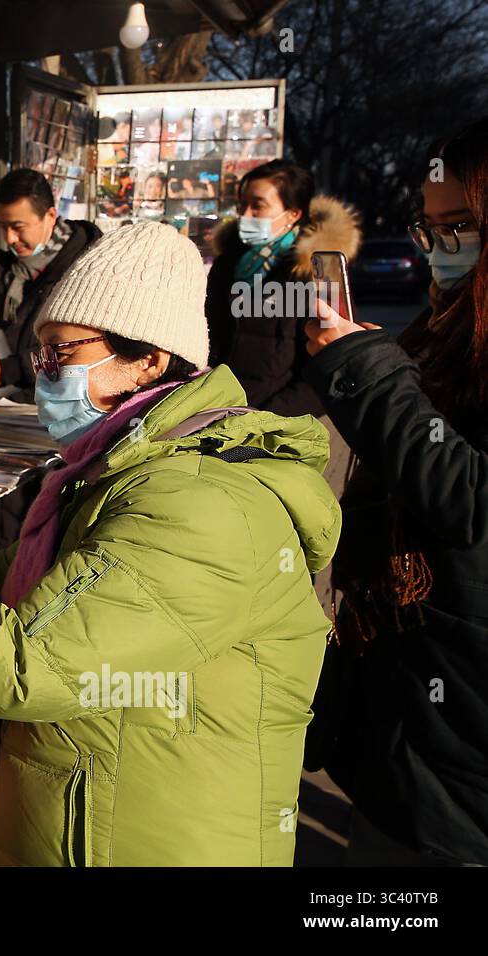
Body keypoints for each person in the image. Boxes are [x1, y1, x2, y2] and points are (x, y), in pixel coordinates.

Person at [0, 221, 341, 865]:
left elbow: (20, 663)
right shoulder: (116, 465)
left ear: (149, 359)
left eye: (64, 353)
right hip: (90, 820)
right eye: (40, 354)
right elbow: (46, 597)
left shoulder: (196, 502)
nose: (45, 374)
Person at [303, 118, 488, 866]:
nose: (441, 247)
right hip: (414, 711)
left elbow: (470, 494)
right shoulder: (453, 324)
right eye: (430, 227)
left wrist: (370, 373)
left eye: (462, 226)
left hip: (463, 749)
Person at [205, 159, 361, 417]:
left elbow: (331, 368)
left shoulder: (318, 276)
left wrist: (267, 418)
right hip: (213, 413)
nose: (245, 215)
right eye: (242, 204)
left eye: (258, 205)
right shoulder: (227, 265)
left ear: (293, 214)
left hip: (272, 426)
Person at [0, 169, 99, 401]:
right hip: (8, 407)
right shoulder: (7, 268)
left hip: (61, 411)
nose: (10, 238)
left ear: (50, 216)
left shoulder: (85, 267)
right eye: (3, 226)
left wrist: (8, 370)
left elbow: (83, 349)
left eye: (18, 227)